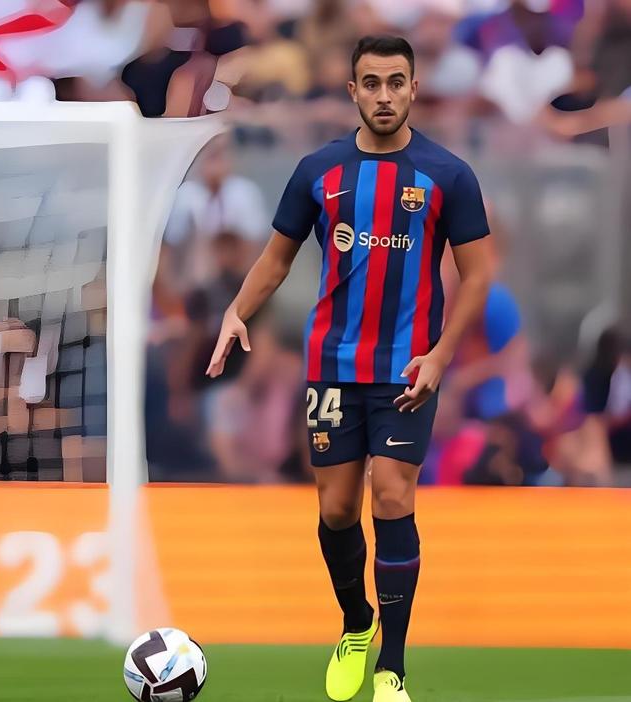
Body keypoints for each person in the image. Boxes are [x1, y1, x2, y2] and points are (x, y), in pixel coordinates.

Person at [207, 35, 491, 702]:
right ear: (352, 91)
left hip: (407, 368)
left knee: (392, 494)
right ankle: (356, 622)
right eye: (371, 83)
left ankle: (392, 668)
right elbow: (277, 257)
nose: (384, 95)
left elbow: (478, 275)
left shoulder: (447, 175)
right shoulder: (319, 171)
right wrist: (237, 311)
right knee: (337, 510)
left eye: (395, 82)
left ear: (414, 88)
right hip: (333, 365)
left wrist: (440, 356)